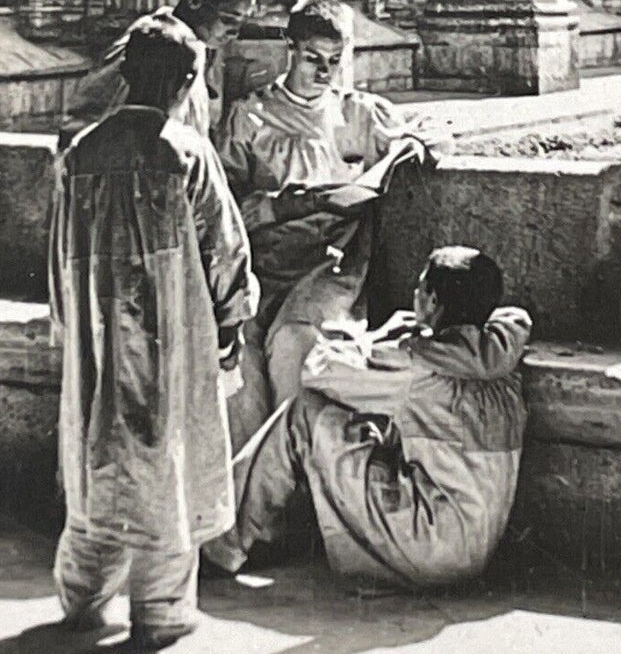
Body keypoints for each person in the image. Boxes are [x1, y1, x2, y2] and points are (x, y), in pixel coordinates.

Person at [49, 14, 258, 651]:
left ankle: (82, 596)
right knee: (169, 464)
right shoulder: (186, 153)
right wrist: (231, 325)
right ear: (188, 80)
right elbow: (226, 252)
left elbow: (59, 256)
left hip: (97, 339)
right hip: (174, 337)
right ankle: (162, 612)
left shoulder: (82, 152)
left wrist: (69, 326)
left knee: (96, 459)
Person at [204, 247, 531, 591]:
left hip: (427, 545)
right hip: (474, 552)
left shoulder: (415, 366)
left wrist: (374, 339)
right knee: (376, 428)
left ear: (433, 302)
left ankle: (220, 544)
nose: (415, 296)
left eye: (421, 289)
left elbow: (316, 371)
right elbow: (516, 318)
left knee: (302, 414)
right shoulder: (500, 359)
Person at [217, 0, 434, 450]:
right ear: (290, 49)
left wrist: (408, 147)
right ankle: (253, 484)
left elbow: (426, 140)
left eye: (335, 61)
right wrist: (276, 206)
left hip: (330, 267)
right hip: (265, 262)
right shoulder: (251, 115)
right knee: (242, 352)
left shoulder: (359, 112)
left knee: (296, 344)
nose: (324, 72)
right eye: (313, 58)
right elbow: (227, 200)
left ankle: (300, 470)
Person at [68, 0, 260, 138]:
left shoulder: (201, 46)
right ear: (194, 0)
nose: (235, 32)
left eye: (242, 21)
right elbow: (86, 121)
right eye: (229, 19)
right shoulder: (150, 45)